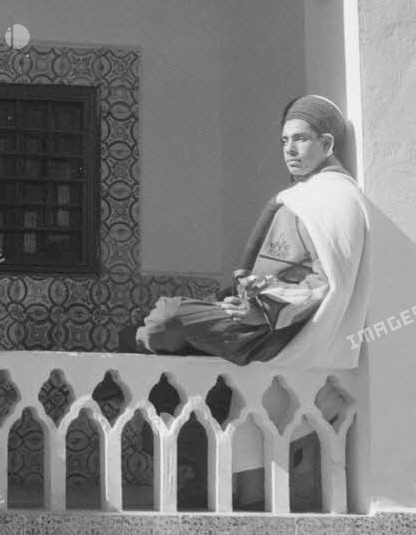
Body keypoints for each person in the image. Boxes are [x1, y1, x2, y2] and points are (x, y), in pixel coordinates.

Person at [135, 95, 370, 369]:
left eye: (300, 139)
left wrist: (261, 310)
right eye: (285, 141)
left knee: (168, 316)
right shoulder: (309, 194)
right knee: (150, 326)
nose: (289, 150)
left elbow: (326, 284)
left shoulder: (334, 198)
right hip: (258, 315)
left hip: (276, 330)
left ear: (327, 144)